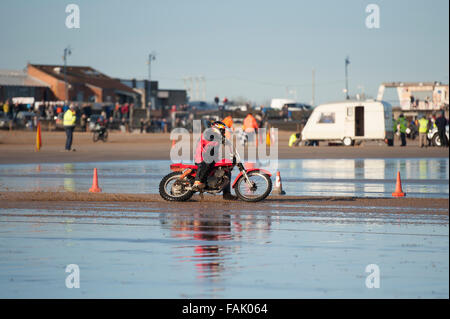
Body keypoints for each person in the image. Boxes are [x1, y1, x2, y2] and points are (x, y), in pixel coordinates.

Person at [192, 121, 224, 192]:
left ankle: (227, 193)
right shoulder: (208, 133)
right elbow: (209, 142)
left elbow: (214, 151)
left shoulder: (217, 137)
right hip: (200, 156)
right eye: (222, 130)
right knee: (207, 162)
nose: (223, 132)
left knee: (225, 167)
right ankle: (197, 182)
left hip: (209, 156)